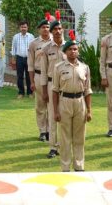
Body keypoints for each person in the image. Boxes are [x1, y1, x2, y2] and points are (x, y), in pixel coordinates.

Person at [53, 30, 92, 172]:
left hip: (80, 102)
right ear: (65, 52)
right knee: (65, 137)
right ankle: (65, 167)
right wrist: (56, 110)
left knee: (79, 137)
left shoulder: (85, 68)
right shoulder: (58, 68)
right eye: (70, 49)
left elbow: (88, 90)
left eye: (75, 49)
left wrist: (89, 110)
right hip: (65, 102)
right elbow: (55, 90)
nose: (73, 51)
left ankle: (79, 166)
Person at [40, 17, 66, 159]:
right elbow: (43, 71)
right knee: (52, 115)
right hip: (51, 85)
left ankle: (64, 145)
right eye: (55, 29)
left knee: (65, 116)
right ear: (51, 32)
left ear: (63, 30)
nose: (57, 31)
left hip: (66, 85)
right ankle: (53, 147)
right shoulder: (46, 49)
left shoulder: (69, 46)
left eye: (59, 29)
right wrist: (44, 90)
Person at [28, 13, 53, 141]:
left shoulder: (56, 42)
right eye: (43, 27)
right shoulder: (34, 44)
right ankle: (43, 130)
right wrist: (31, 81)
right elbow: (30, 64)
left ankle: (51, 130)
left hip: (52, 77)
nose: (45, 29)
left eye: (47, 27)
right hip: (38, 76)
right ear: (39, 29)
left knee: (52, 105)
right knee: (40, 104)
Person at [11, 21, 34, 99]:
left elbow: (33, 49)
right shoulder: (16, 37)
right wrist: (13, 59)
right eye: (22, 27)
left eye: (25, 27)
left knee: (29, 76)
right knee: (19, 76)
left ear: (27, 28)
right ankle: (21, 92)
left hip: (29, 58)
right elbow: (13, 48)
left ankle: (30, 92)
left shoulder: (31, 36)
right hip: (19, 58)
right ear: (19, 28)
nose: (23, 28)